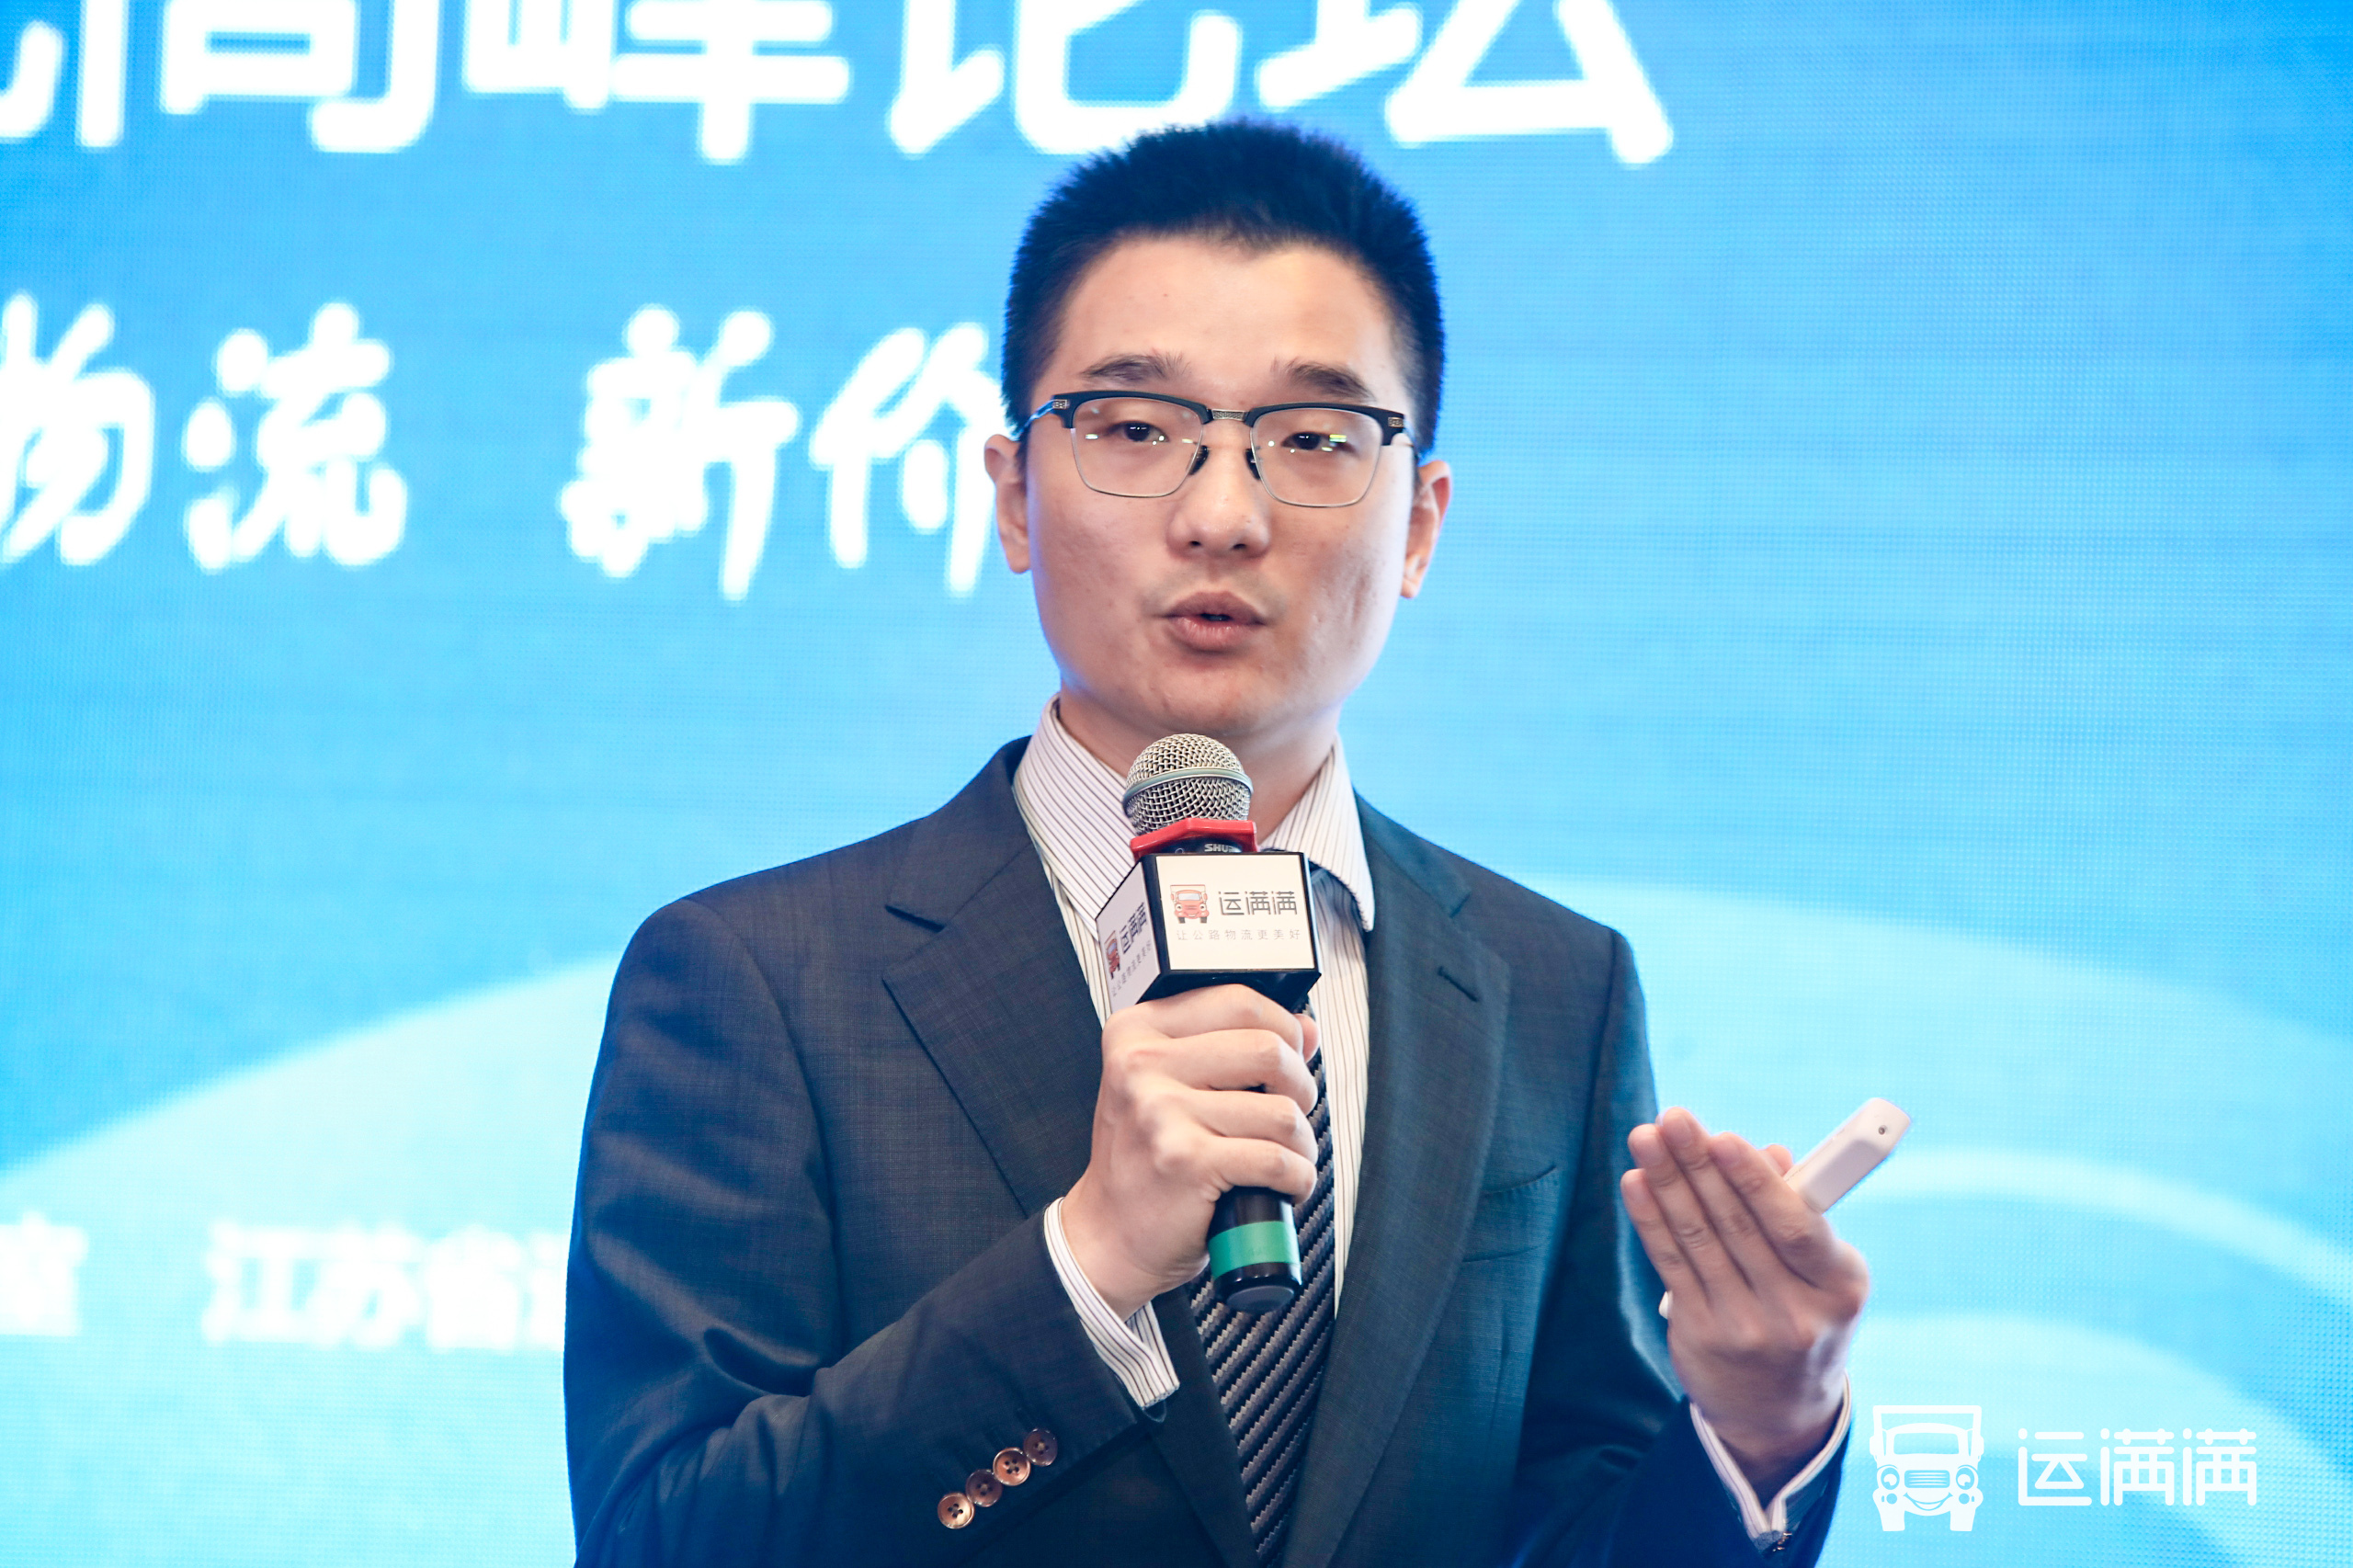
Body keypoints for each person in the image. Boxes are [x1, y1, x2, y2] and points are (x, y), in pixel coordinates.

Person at [564, 120, 1869, 1567]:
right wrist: (1086, 1269)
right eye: (1136, 429)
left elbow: (1576, 1524)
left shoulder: (1555, 990)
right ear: (1013, 493)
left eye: (1313, 440)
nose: (1225, 515)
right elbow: (660, 1536)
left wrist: (1757, 1432)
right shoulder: (753, 981)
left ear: (1421, 525)